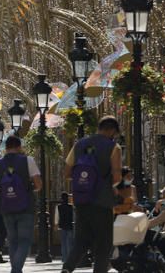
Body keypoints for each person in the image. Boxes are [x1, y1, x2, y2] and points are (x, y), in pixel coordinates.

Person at [61, 116, 123, 273]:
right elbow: (117, 177)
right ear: (112, 131)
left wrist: (85, 181)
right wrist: (110, 186)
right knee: (104, 243)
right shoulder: (113, 147)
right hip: (103, 201)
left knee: (81, 240)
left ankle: (67, 268)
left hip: (81, 200)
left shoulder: (79, 144)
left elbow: (67, 173)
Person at [0, 135, 41, 273]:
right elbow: (38, 185)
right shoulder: (28, 160)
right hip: (26, 208)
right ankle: (16, 270)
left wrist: (2, 192)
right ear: (19, 147)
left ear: (6, 148)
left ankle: (16, 269)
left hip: (7, 208)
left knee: (12, 241)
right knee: (24, 241)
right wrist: (26, 190)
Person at [55, 193, 74, 264]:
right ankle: (69, 258)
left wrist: (56, 224)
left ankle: (64, 258)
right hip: (70, 226)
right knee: (69, 243)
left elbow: (57, 217)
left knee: (63, 243)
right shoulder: (71, 206)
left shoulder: (58, 207)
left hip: (62, 226)